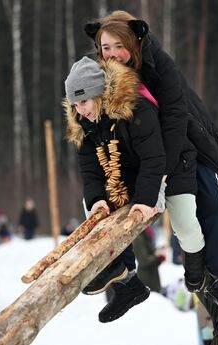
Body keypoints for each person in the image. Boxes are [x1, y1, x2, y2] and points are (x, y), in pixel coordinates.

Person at [85, 11, 218, 311]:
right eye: (105, 47)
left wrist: (161, 169)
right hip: (135, 154)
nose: (111, 54)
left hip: (184, 140)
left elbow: (177, 117)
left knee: (210, 197)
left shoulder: (160, 66)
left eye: (118, 46)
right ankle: (125, 280)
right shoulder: (99, 74)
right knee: (106, 202)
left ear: (135, 41)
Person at [64, 56, 165, 322]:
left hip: (160, 174)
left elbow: (154, 158)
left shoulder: (133, 108)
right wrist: (97, 200)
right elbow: (89, 170)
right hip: (121, 180)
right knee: (95, 209)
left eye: (83, 101)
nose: (80, 109)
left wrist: (145, 199)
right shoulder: (83, 124)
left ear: (98, 93)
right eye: (74, 104)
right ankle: (127, 282)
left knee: (186, 226)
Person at [133, 226, 165, 292]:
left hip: (152, 274)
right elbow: (143, 260)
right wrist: (157, 258)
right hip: (146, 277)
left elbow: (151, 251)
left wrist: (158, 256)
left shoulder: (146, 233)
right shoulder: (138, 238)